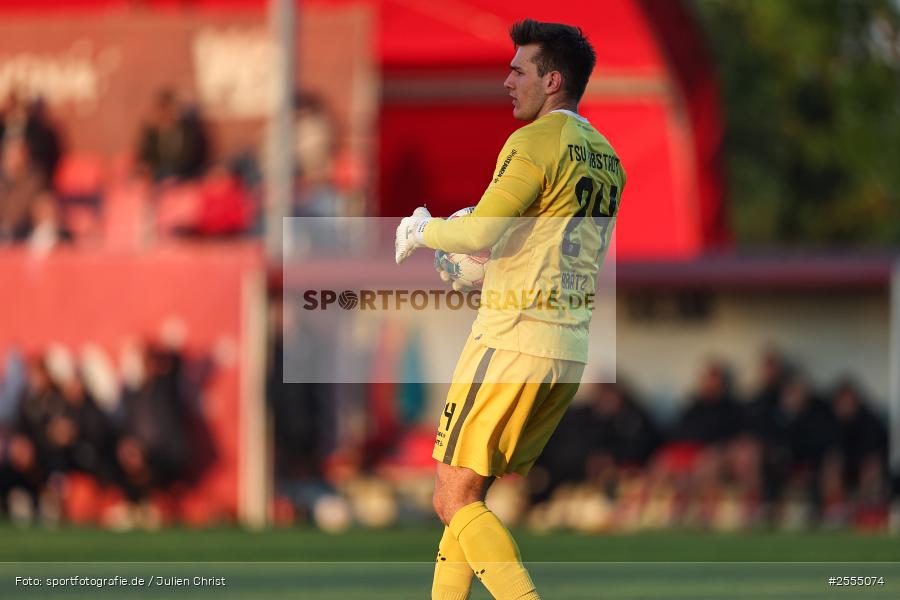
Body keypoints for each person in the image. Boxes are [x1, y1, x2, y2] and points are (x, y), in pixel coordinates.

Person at [395, 19, 624, 600]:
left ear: (552, 81)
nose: (507, 81)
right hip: (565, 348)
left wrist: (425, 230)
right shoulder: (607, 157)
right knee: (465, 496)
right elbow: (539, 238)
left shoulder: (535, 141)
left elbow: (482, 231)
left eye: (518, 70)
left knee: (451, 497)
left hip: (511, 338)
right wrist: (489, 263)